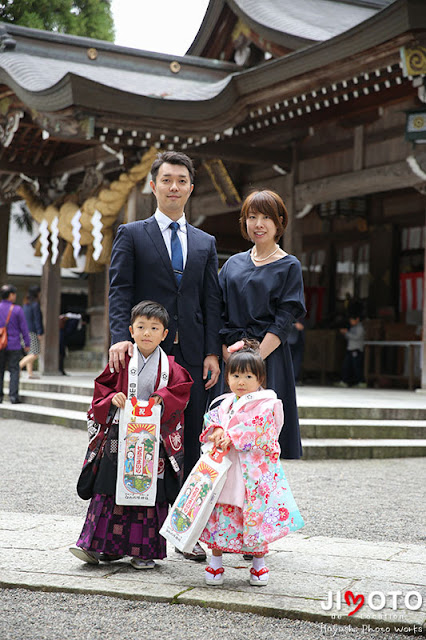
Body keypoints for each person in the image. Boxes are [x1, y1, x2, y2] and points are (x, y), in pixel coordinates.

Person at [108, 151, 222, 561]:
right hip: (143, 353)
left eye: (182, 181)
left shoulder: (206, 242)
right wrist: (121, 336)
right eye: (167, 180)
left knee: (191, 442)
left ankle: (188, 531)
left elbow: (211, 299)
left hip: (190, 355)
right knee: (140, 440)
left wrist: (211, 352)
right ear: (153, 185)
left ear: (191, 188)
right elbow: (120, 289)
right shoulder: (132, 233)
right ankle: (130, 533)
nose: (174, 187)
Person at [70, 300, 193, 570]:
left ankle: (144, 551)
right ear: (131, 331)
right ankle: (96, 546)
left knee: (150, 491)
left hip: (154, 440)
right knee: (109, 486)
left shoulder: (172, 368)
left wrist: (163, 396)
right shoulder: (121, 361)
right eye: (141, 327)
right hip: (119, 436)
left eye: (154, 328)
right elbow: (101, 389)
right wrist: (112, 397)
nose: (147, 333)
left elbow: (182, 391)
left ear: (166, 335)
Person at [199, 339, 304, 587]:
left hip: (252, 473)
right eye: (235, 375)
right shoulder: (224, 403)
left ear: (260, 379)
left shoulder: (269, 404)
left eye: (248, 376)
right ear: (227, 378)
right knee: (220, 513)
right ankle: (216, 563)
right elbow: (211, 420)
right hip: (226, 469)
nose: (241, 381)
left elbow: (262, 431)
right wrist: (215, 431)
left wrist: (231, 436)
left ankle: (258, 564)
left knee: (254, 516)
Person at [219, 190, 306, 459]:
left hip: (268, 358)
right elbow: (217, 310)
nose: (258, 224)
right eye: (252, 217)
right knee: (226, 434)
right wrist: (227, 353)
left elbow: (284, 320)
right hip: (231, 354)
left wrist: (253, 360)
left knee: (262, 438)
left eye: (266, 217)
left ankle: (261, 498)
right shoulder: (233, 264)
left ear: (279, 222)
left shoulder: (289, 265)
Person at [0, 284, 30, 404]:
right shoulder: (17, 309)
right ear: (11, 295)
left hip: (0, 345)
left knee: (0, 370)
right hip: (14, 344)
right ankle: (13, 396)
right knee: (14, 370)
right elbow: (24, 328)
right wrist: (27, 343)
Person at [338, 307, 366, 388]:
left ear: (357, 319)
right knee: (346, 366)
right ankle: (345, 381)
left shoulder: (360, 328)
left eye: (352, 320)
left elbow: (356, 337)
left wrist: (346, 333)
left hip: (356, 350)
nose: (351, 322)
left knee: (357, 367)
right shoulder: (353, 327)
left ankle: (361, 381)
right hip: (350, 349)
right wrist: (346, 334)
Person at [19, 286, 43, 378]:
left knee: (30, 352)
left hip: (24, 331)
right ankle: (19, 366)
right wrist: (40, 332)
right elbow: (37, 319)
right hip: (32, 331)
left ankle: (30, 373)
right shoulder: (35, 305)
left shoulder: (25, 304)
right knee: (35, 353)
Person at [288, 320, 305, 384]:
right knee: (289, 360)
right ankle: (289, 379)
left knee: (297, 360)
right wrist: (294, 324)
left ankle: (295, 378)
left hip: (299, 338)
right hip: (289, 339)